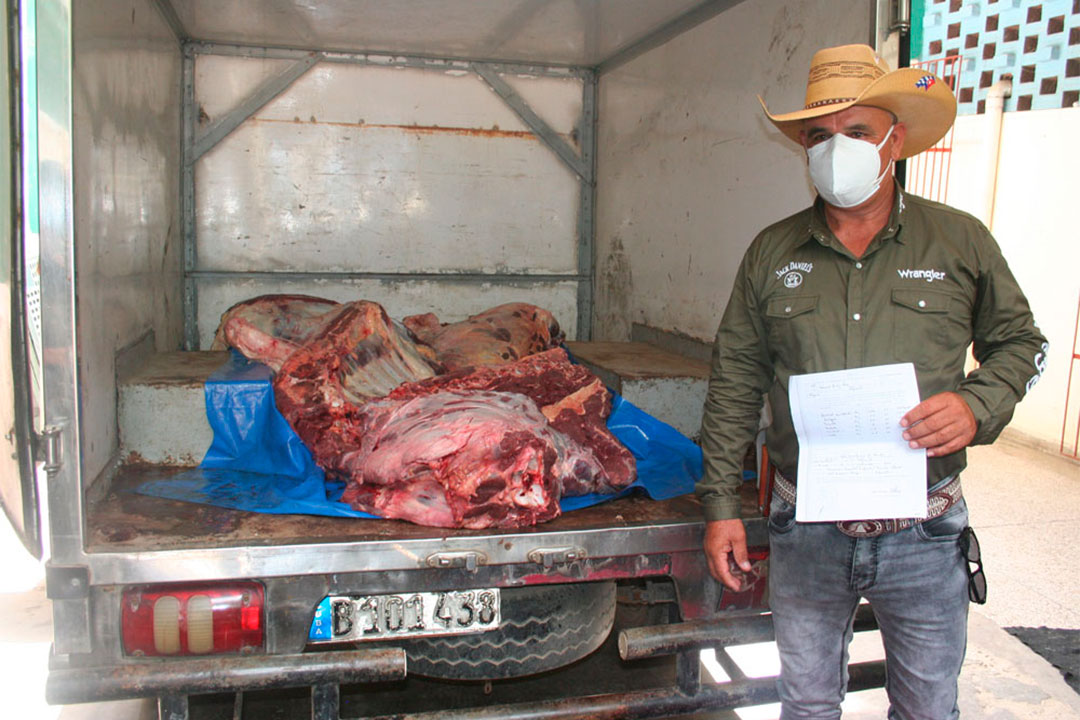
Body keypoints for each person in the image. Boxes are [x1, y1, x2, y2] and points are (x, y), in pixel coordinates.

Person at [696, 44, 1048, 719]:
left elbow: (1021, 343)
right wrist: (720, 510)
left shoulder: (959, 242)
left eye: (856, 133)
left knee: (925, 708)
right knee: (805, 704)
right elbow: (736, 379)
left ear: (896, 139)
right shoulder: (772, 253)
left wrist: (977, 405)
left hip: (925, 532)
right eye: (820, 137)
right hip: (807, 531)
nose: (838, 150)